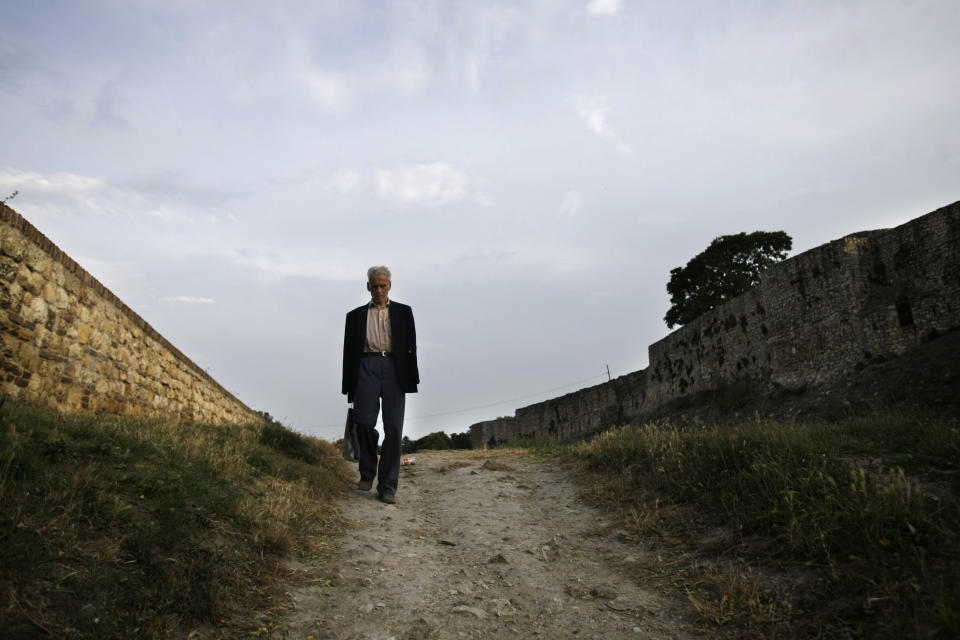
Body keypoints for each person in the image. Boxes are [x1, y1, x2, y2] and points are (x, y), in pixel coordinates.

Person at [341, 266, 419, 504]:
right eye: (374, 285)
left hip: (395, 368)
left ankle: (388, 487)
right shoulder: (354, 316)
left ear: (390, 286)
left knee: (394, 428)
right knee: (363, 421)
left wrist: (411, 377)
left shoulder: (404, 312)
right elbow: (348, 353)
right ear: (368, 287)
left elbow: (411, 347)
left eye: (383, 285)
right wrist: (348, 385)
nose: (378, 289)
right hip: (366, 365)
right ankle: (367, 471)